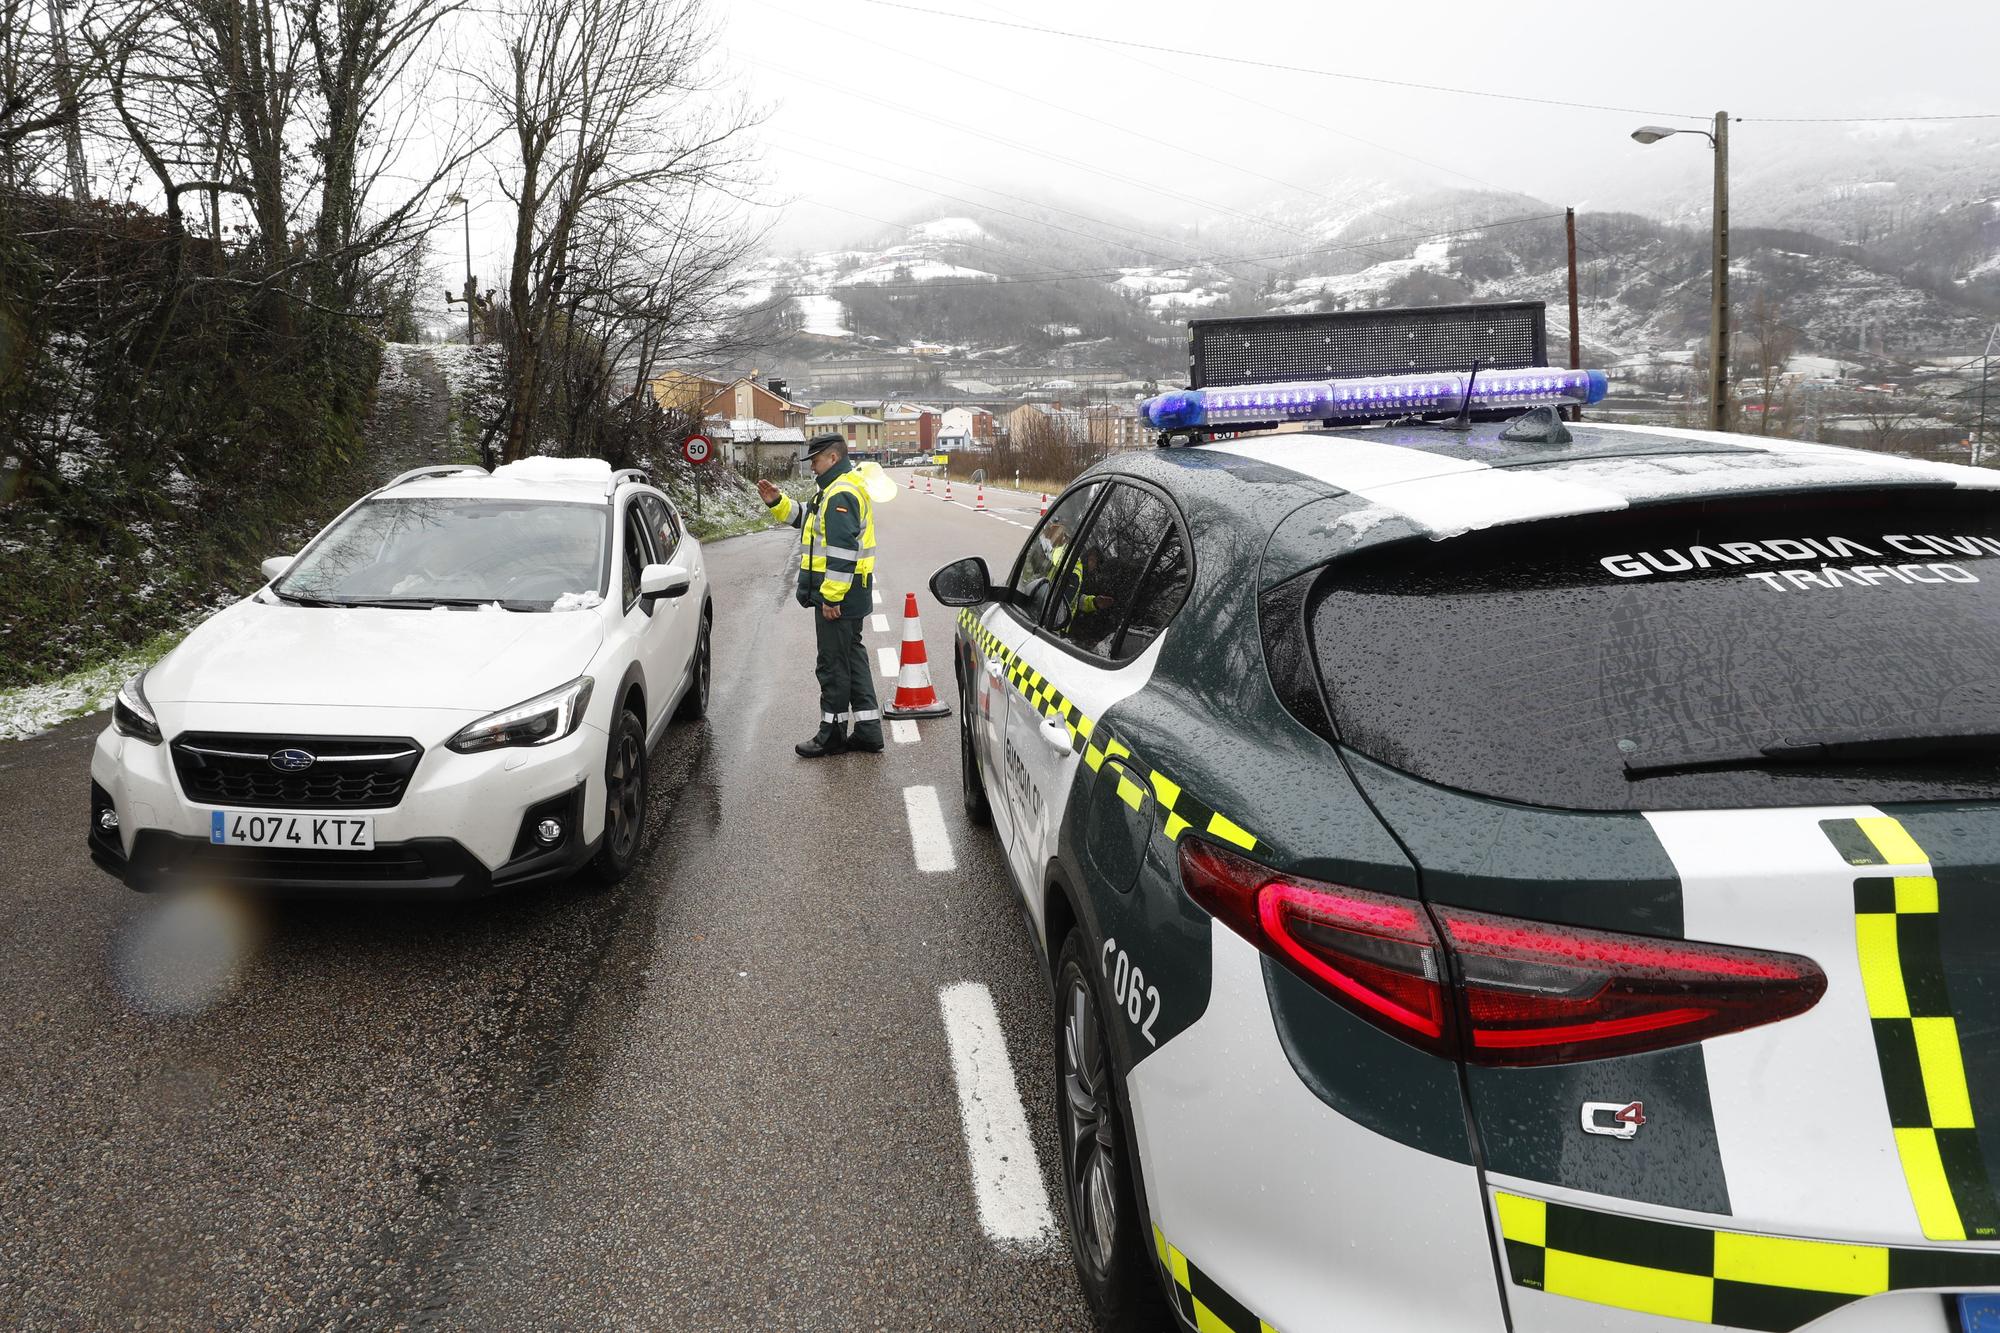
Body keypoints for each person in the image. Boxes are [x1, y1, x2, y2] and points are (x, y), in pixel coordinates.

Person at [757, 434, 882, 757]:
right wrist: (777, 502)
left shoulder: (840, 492)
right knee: (852, 660)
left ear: (833, 457)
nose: (811, 466)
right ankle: (868, 730)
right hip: (850, 592)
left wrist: (831, 597)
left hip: (840, 595)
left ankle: (832, 735)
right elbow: (808, 520)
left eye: (815, 459)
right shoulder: (833, 489)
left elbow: (842, 551)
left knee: (833, 666)